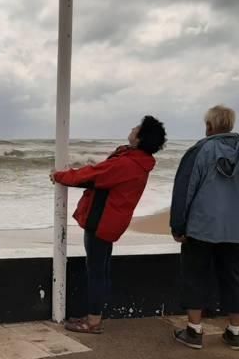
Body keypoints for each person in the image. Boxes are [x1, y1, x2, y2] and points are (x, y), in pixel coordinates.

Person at [50, 116, 167, 334]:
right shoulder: (136, 160)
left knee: (96, 272)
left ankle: (93, 321)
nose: (132, 128)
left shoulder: (128, 163)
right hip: (111, 222)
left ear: (141, 137)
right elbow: (99, 173)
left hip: (102, 222)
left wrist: (59, 176)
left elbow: (93, 175)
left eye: (137, 127)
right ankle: (93, 315)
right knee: (100, 270)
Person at [171, 105, 239, 351]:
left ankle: (194, 331)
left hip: (202, 226)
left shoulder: (200, 151)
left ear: (209, 126)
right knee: (233, 277)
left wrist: (178, 226)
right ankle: (235, 332)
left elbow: (185, 190)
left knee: (195, 276)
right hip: (237, 228)